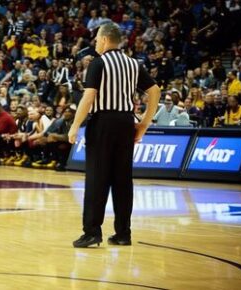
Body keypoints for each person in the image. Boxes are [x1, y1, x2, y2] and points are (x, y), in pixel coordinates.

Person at [68, 23, 160, 248]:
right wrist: (145, 124)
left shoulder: (98, 63)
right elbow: (155, 90)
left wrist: (75, 125)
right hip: (126, 122)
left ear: (106, 39)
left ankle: (92, 232)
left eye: (98, 39)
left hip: (103, 123)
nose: (96, 43)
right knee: (122, 179)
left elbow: (88, 97)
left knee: (97, 178)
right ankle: (123, 233)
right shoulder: (133, 64)